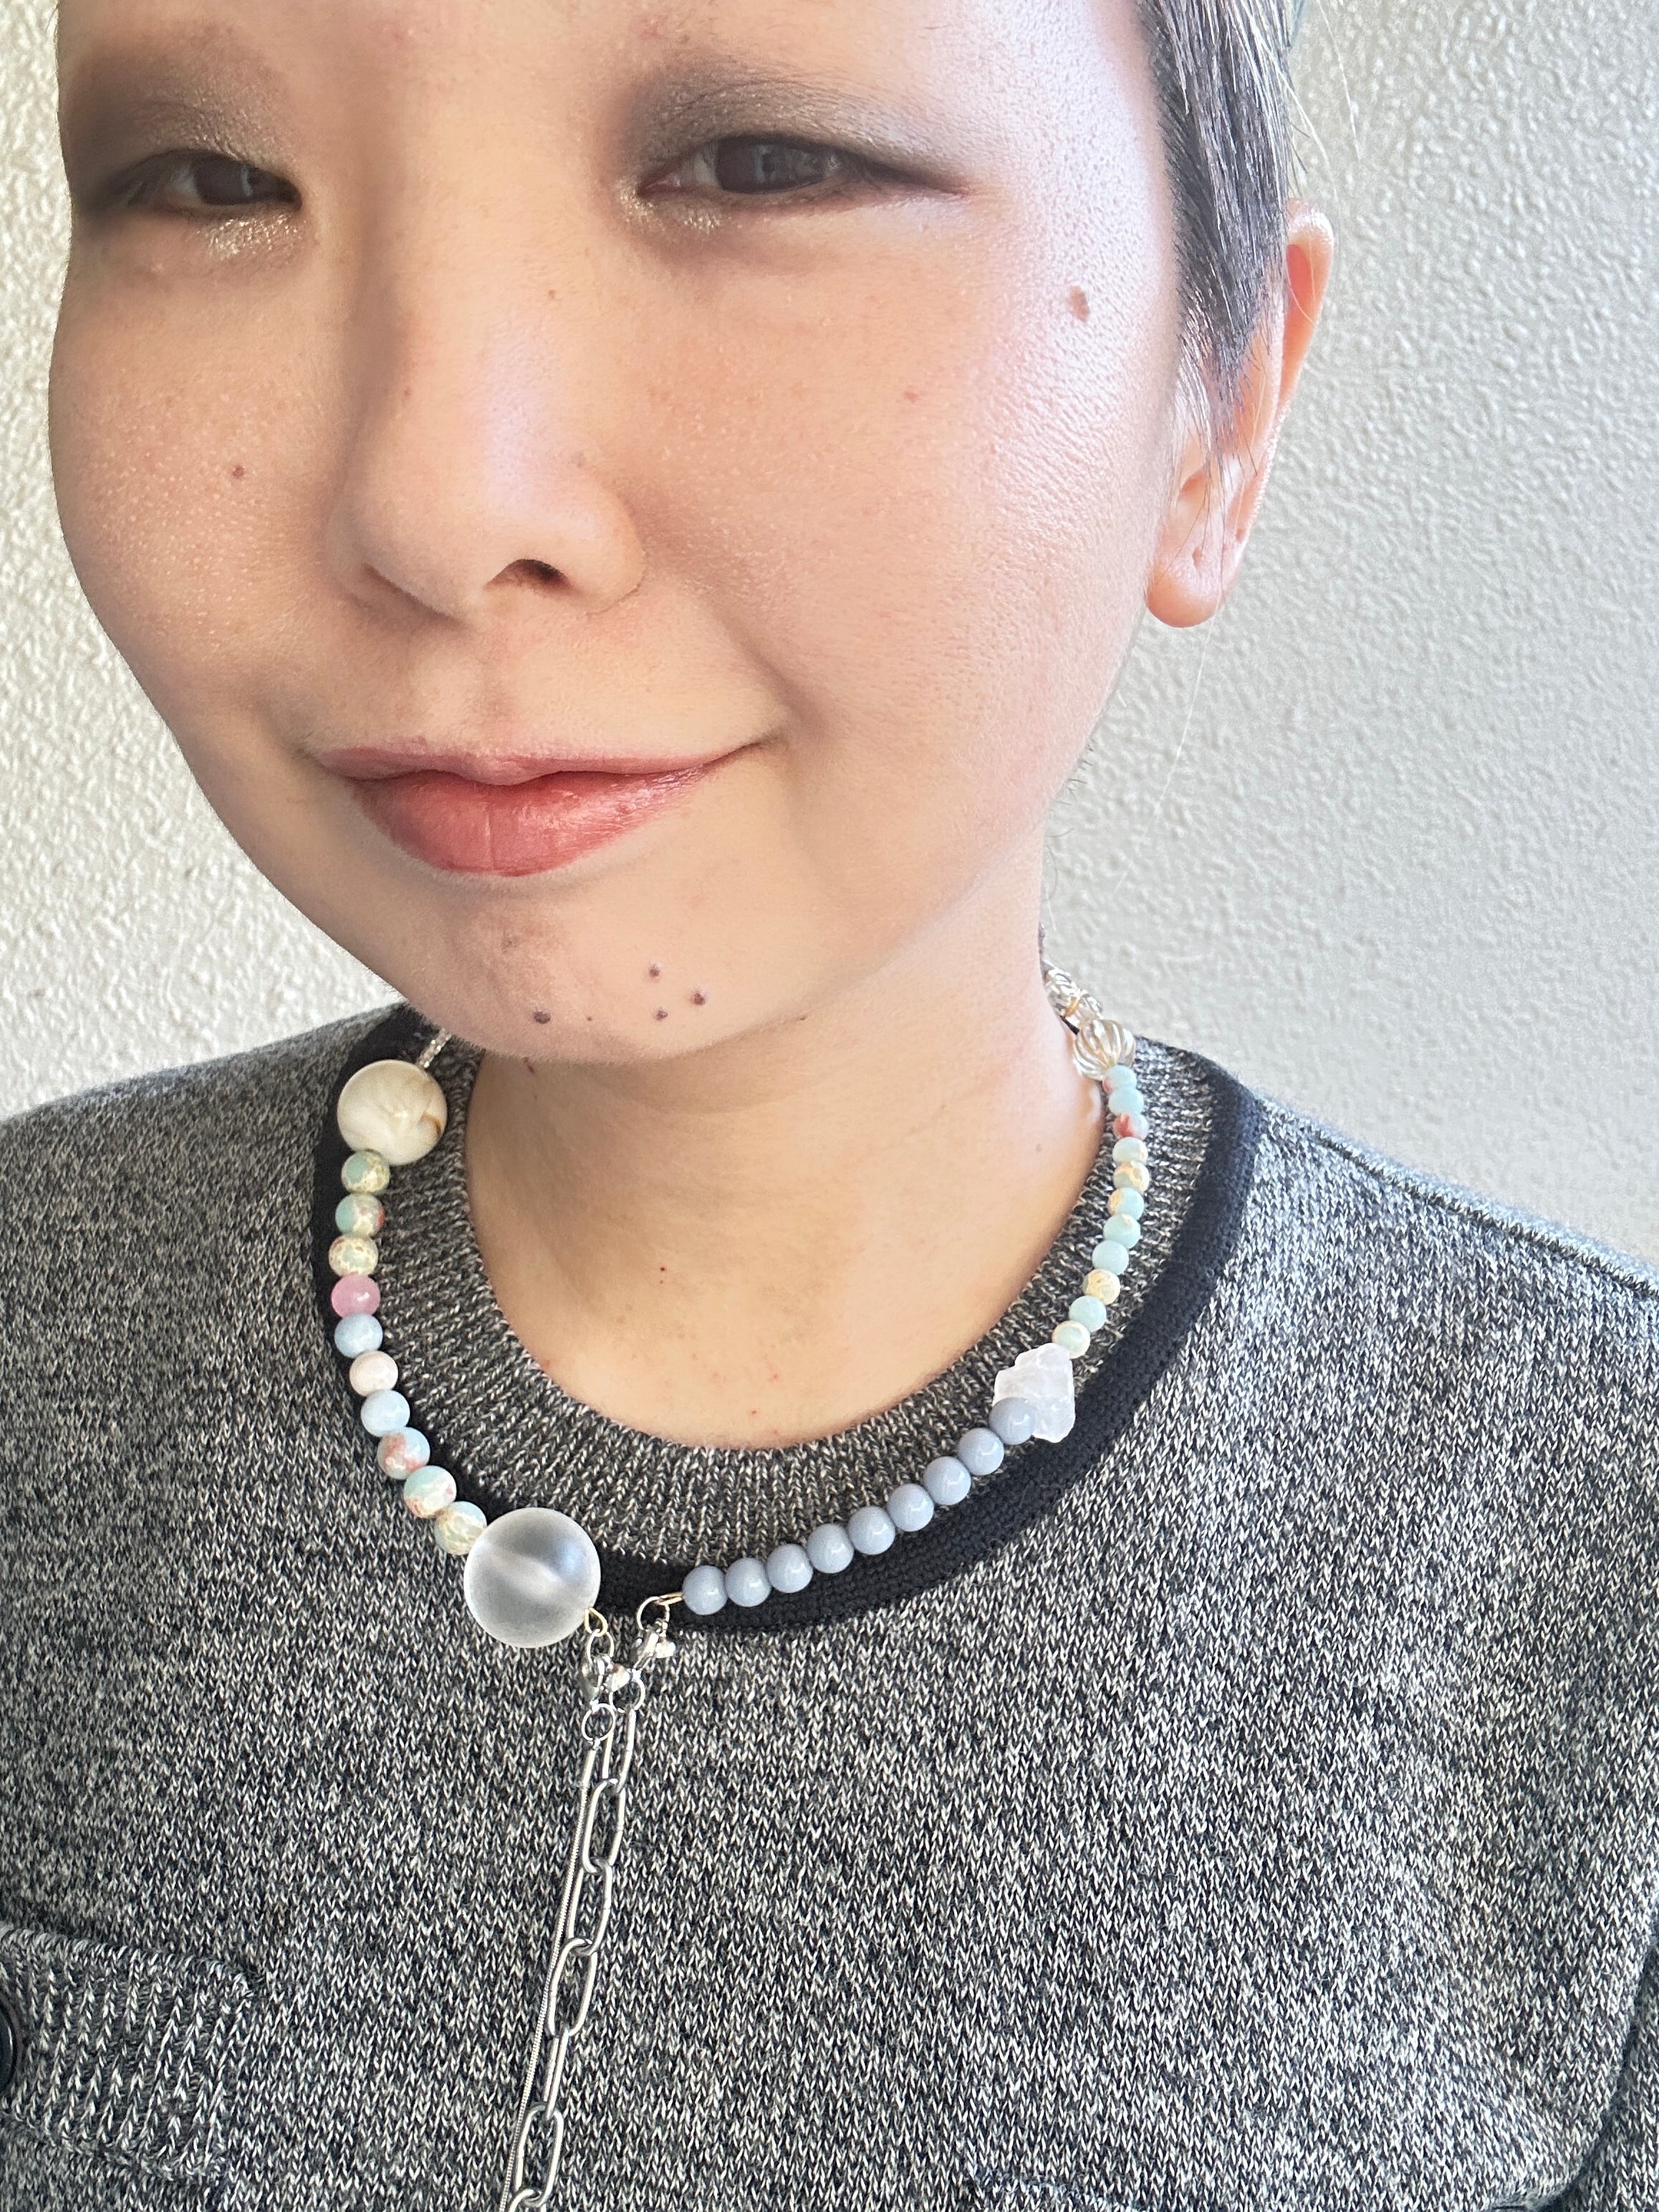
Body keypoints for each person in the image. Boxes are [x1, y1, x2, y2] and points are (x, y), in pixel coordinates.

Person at [1, 0, 1654, 2205]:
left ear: (1219, 407)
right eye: (209, 182)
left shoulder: (1594, 1581)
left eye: (761, 165)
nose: (435, 502)